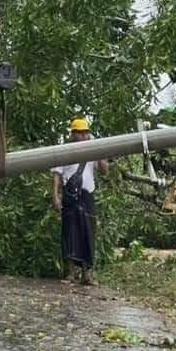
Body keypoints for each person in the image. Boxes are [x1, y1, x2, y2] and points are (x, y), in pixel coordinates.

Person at [51, 118, 109, 285]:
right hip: (70, 197)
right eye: (80, 133)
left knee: (88, 233)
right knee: (69, 233)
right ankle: (70, 273)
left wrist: (99, 153)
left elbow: (105, 171)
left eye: (86, 132)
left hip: (87, 196)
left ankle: (87, 275)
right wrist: (55, 196)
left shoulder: (93, 149)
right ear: (73, 134)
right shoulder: (64, 151)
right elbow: (57, 174)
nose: (84, 136)